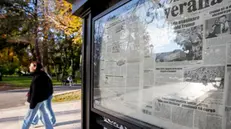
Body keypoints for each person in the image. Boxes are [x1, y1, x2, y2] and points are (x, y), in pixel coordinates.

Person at [22, 61, 54, 129]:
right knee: (44, 115)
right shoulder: (41, 75)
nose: (29, 67)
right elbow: (37, 89)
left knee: (28, 118)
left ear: (35, 66)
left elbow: (36, 93)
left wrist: (32, 105)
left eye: (30, 66)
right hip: (40, 99)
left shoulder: (38, 77)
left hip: (36, 101)